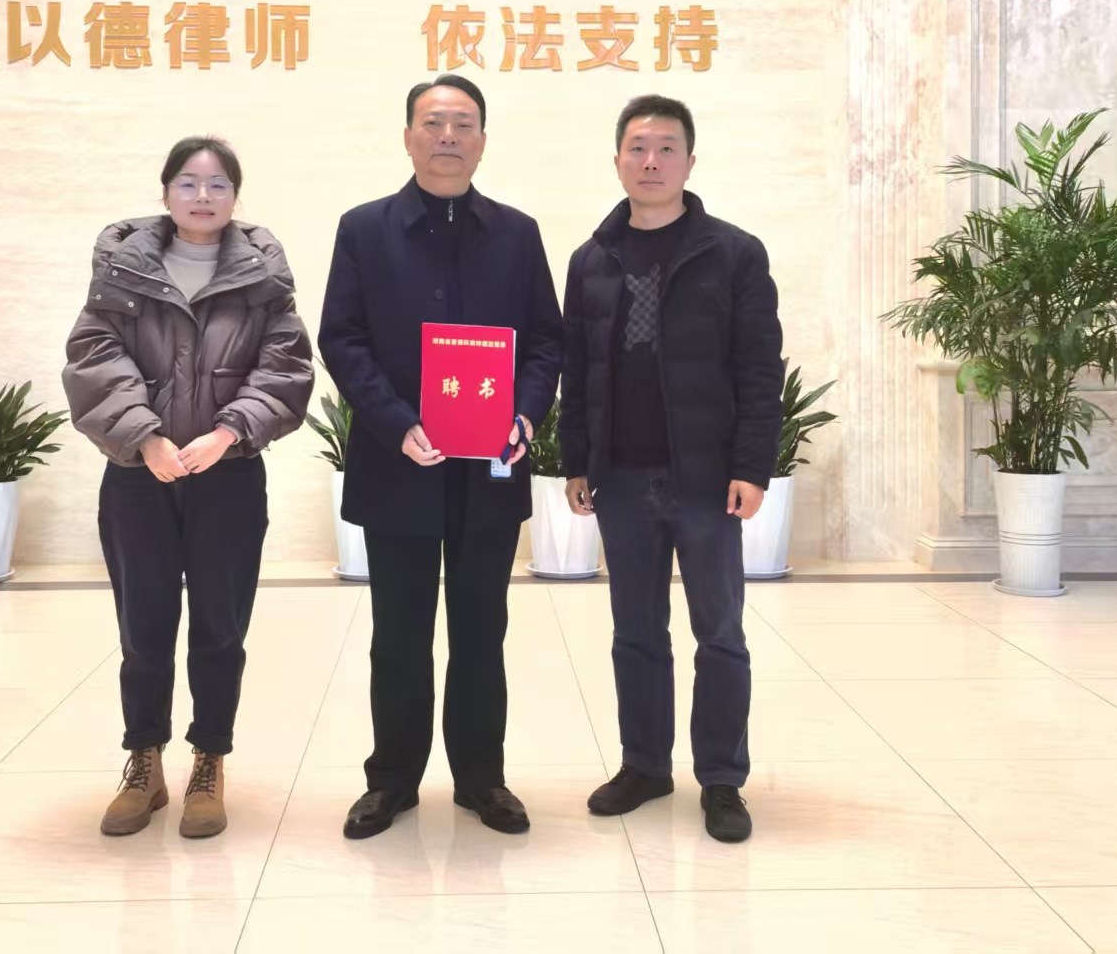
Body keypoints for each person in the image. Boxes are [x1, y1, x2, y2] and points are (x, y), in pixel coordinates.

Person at [319, 73, 564, 839]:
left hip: (489, 470)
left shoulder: (517, 233)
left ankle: (481, 778)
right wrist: (395, 422)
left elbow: (546, 339)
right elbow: (341, 338)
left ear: (483, 140)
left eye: (463, 123)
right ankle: (391, 779)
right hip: (400, 464)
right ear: (408, 136)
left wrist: (527, 412)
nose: (448, 136)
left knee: (481, 630)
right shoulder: (364, 230)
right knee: (398, 633)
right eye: (433, 122)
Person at [63, 136, 313, 839]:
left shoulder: (262, 273)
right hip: (137, 475)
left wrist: (228, 432)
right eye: (188, 183)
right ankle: (144, 763)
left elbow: (286, 364)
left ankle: (209, 762)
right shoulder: (123, 266)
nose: (203, 196)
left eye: (217, 185)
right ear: (166, 191)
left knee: (219, 629)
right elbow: (94, 356)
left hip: (227, 475)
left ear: (235, 196)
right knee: (143, 627)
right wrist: (146, 437)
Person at [559, 95, 783, 844]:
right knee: (635, 631)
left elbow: (759, 368)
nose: (650, 161)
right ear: (617, 159)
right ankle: (646, 765)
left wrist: (752, 465)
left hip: (706, 477)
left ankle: (721, 778)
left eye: (665, 148)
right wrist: (577, 460)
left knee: (719, 633)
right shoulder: (591, 259)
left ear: (690, 161)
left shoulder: (733, 253)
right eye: (637, 147)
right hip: (622, 477)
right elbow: (578, 371)